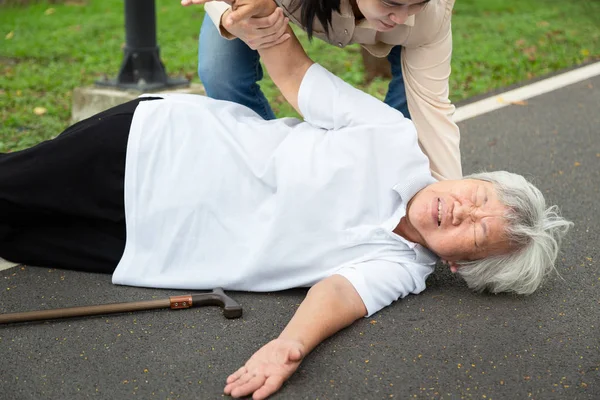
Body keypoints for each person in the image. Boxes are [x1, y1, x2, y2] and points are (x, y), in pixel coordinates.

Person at [1, 18, 571, 400]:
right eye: (476, 200)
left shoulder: (402, 268)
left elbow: (338, 295)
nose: (459, 214)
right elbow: (296, 75)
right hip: (154, 150)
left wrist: (288, 344)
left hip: (146, 248)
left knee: (12, 234)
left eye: (474, 237)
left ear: (458, 266)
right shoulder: (392, 136)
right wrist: (267, 23)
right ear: (471, 179)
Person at [182, 0, 462, 181]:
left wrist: (452, 197)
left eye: (414, 5)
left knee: (405, 127)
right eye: (391, 3)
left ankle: (385, 185)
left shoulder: (430, 17)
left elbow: (432, 109)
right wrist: (232, 14)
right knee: (221, 73)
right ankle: (268, 175)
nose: (400, 17)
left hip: (413, 41)